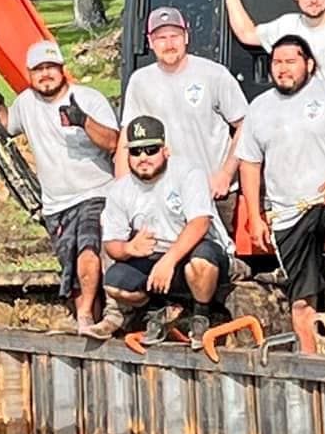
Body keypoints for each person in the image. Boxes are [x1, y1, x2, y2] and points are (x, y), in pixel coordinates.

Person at [235, 36, 325, 353]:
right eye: (277, 63)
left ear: (309, 64)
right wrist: (255, 217)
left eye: (290, 61)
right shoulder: (260, 108)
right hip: (287, 210)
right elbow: (250, 165)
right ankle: (311, 365)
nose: (282, 69)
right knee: (301, 302)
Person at [0, 41, 119, 332]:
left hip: (96, 192)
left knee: (88, 249)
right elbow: (6, 125)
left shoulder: (87, 99)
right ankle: (92, 317)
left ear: (62, 70)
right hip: (57, 203)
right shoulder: (26, 103)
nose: (45, 75)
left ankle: (85, 317)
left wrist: (84, 122)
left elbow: (114, 142)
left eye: (50, 68)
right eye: (38, 70)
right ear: (30, 74)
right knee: (72, 263)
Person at [93, 115, 232, 342]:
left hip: (196, 251)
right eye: (136, 152)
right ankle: (160, 309)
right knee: (115, 282)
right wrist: (128, 248)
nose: (143, 157)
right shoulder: (120, 190)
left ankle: (201, 316)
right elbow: (112, 244)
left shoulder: (188, 172)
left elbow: (200, 223)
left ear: (165, 150)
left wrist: (168, 260)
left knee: (201, 261)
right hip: (154, 258)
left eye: (151, 150)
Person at [117, 5, 247, 197]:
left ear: (186, 37)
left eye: (175, 36)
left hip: (216, 191)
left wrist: (226, 175)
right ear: (150, 42)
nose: (169, 44)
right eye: (161, 38)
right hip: (166, 194)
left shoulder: (214, 74)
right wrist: (121, 193)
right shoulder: (140, 81)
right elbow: (127, 137)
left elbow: (245, 126)